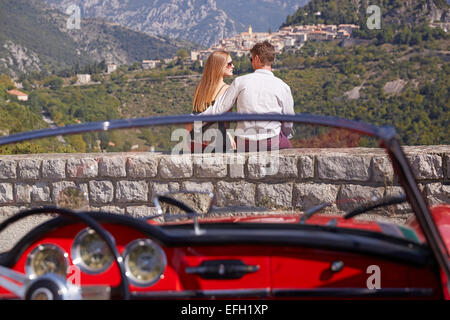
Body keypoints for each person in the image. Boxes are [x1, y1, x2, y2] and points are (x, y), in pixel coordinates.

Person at [199, 41, 294, 152]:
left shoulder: (240, 82)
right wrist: (285, 135)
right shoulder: (283, 86)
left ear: (257, 59)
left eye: (251, 59)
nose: (251, 62)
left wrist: (194, 119)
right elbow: (288, 121)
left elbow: (219, 108)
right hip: (271, 141)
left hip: (244, 142)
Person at [186, 50, 235, 151]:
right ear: (220, 66)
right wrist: (229, 135)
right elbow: (226, 121)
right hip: (216, 142)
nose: (233, 66)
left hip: (195, 140)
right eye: (229, 64)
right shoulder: (227, 89)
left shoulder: (200, 87)